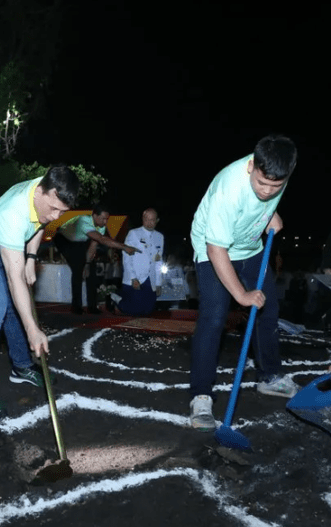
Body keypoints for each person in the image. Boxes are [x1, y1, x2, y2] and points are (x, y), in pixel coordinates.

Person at [188, 134, 299, 432]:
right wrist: (241, 294)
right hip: (213, 248)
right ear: (252, 166)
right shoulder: (229, 188)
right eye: (261, 183)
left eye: (275, 187)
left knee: (268, 309)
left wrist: (270, 213)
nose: (267, 191)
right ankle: (200, 395)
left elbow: (263, 201)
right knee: (213, 318)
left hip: (250, 247)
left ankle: (270, 377)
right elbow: (216, 250)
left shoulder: (277, 176)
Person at [0, 165, 79, 417]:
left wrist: (31, 257)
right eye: (54, 208)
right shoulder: (13, 213)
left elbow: (40, 224)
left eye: (62, 211)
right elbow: (15, 280)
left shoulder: (44, 189)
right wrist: (33, 330)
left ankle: (21, 367)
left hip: (3, 243)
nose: (56, 216)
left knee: (14, 307)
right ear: (41, 193)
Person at [54, 203, 138, 314]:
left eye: (107, 219)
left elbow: (94, 245)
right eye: (103, 219)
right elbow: (102, 239)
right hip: (64, 239)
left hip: (81, 242)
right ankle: (76, 307)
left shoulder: (100, 227)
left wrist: (88, 264)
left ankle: (92, 307)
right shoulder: (83, 221)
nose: (105, 222)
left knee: (91, 272)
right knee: (78, 267)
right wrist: (124, 247)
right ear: (94, 216)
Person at [114, 208, 164, 316]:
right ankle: (116, 299)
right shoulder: (134, 233)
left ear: (157, 220)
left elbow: (159, 261)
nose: (149, 223)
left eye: (152, 220)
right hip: (137, 277)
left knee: (148, 310)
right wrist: (133, 277)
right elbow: (127, 257)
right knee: (134, 310)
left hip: (151, 279)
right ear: (142, 219)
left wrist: (159, 283)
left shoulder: (160, 237)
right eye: (147, 219)